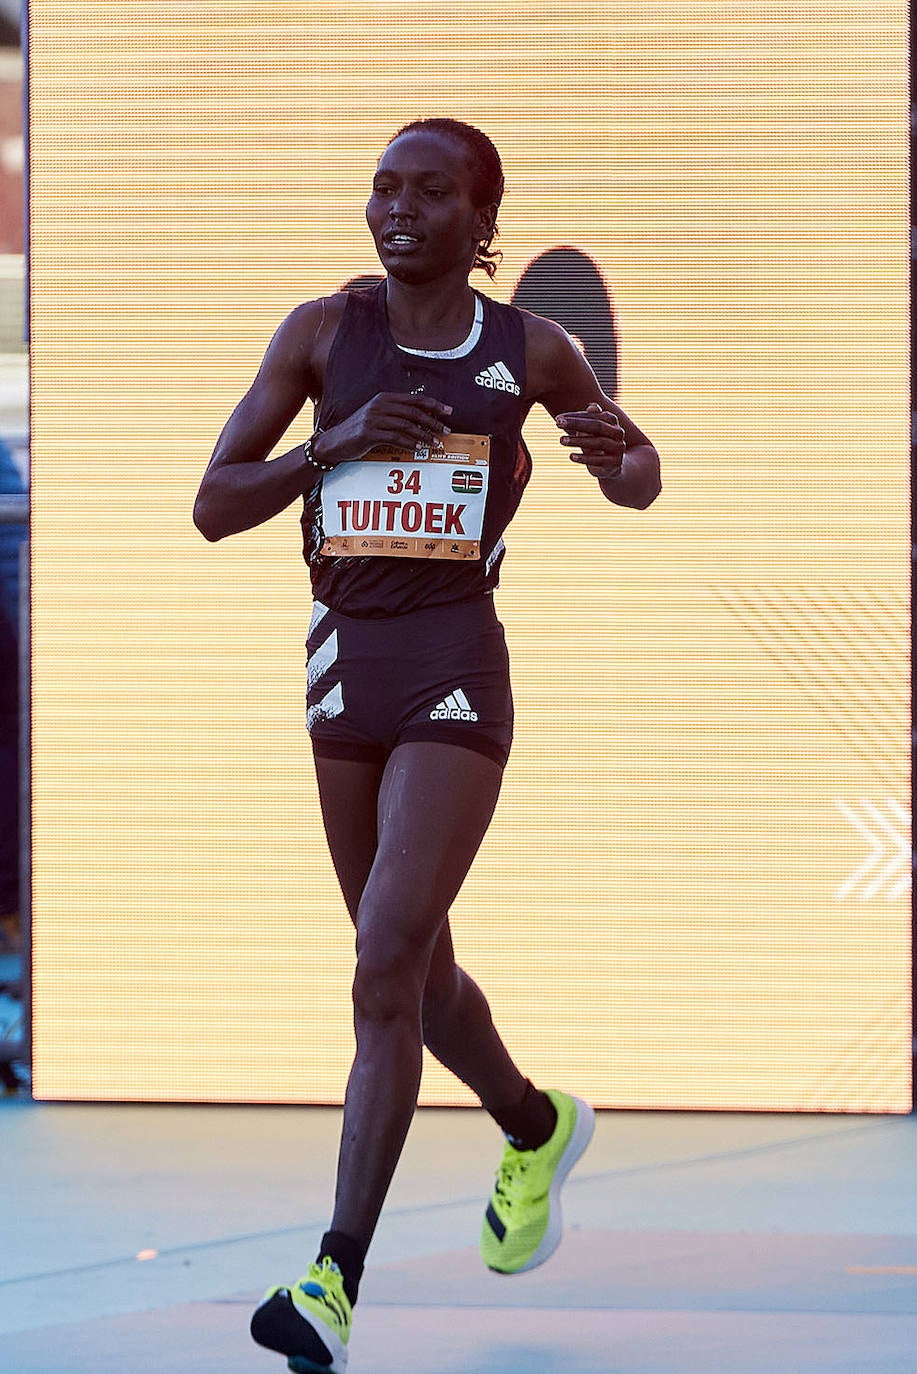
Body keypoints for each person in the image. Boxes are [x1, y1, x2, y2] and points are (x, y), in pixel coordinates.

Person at [194, 117, 660, 1374]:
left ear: (478, 218)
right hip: (345, 666)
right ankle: (530, 1121)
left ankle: (332, 1280)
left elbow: (635, 473)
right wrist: (328, 446)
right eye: (383, 187)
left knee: (385, 951)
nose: (397, 207)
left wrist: (624, 459)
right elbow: (211, 506)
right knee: (409, 975)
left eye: (430, 190)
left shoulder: (529, 350)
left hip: (457, 667)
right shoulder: (322, 333)